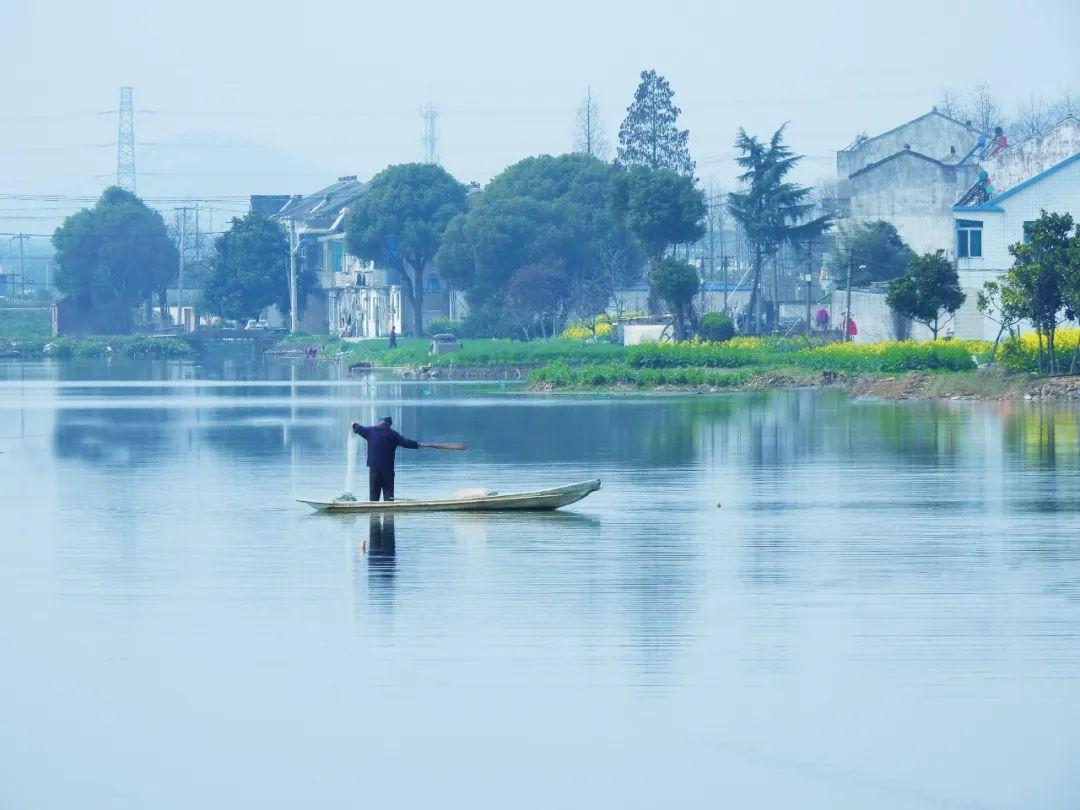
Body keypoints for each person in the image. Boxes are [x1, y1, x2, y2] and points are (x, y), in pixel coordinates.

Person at [351, 416, 422, 502]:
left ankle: (373, 513)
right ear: (389, 424)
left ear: (380, 422)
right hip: (388, 469)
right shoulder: (393, 434)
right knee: (388, 495)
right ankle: (389, 513)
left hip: (374, 468)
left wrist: (353, 423)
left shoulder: (370, 431)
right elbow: (405, 442)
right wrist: (417, 444)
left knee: (374, 495)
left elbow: (358, 428)